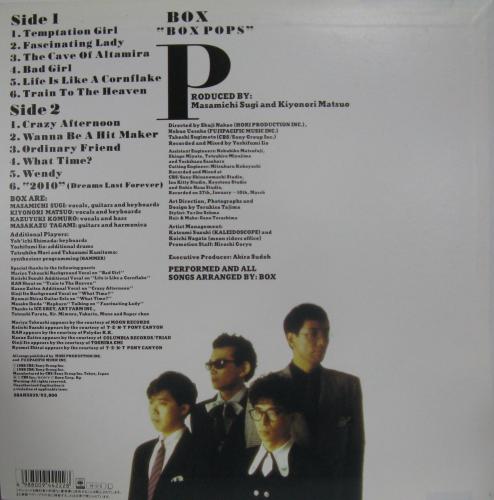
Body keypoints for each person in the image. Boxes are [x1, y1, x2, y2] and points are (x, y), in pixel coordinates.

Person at [277, 303, 365, 500]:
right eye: (313, 334)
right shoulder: (268, 386)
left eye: (326, 333)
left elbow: (355, 454)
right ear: (291, 338)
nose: (323, 341)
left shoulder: (347, 386)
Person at [234, 373, 326, 500]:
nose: (263, 421)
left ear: (292, 417)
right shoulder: (239, 461)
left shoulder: (312, 468)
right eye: (258, 412)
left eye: (273, 413)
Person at [128, 371, 211, 500]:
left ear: (183, 409)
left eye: (162, 403)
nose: (154, 410)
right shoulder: (142, 452)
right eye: (151, 402)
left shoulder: (201, 452)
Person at [190, 333, 260, 478]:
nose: (212, 370)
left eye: (220, 364)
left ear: (244, 368)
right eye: (210, 365)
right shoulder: (199, 411)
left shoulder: (260, 408)